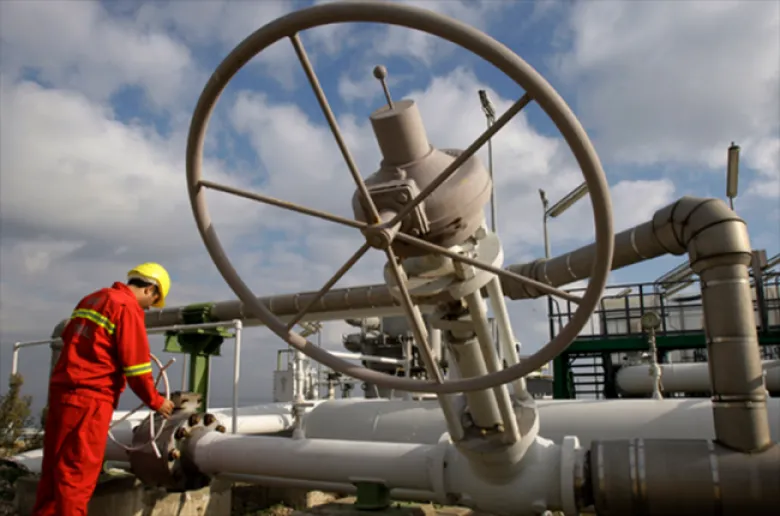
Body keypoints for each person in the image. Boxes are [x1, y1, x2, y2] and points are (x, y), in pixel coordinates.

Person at [32, 262, 177, 516]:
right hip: (90, 400)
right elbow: (137, 367)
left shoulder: (92, 299)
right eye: (153, 300)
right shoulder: (126, 307)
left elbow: (70, 340)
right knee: (77, 476)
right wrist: (156, 401)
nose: (149, 307)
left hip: (62, 395)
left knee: (53, 473)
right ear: (150, 289)